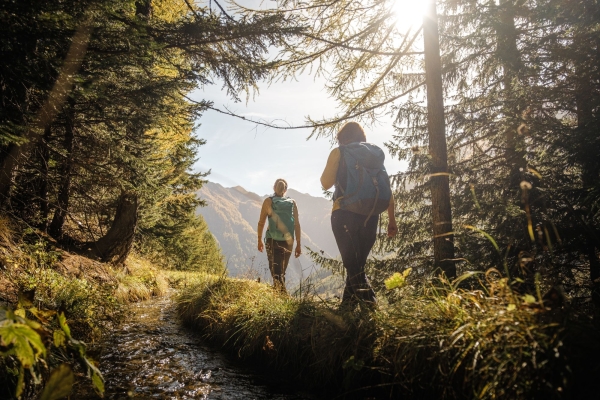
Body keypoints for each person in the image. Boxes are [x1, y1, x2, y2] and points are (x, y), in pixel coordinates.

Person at [320, 122, 398, 310]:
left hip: (344, 213)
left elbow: (325, 183)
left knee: (353, 266)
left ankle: (371, 307)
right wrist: (392, 220)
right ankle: (346, 310)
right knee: (357, 266)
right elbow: (387, 188)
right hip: (371, 214)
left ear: (343, 138)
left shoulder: (340, 152)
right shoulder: (374, 156)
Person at [257, 178, 302, 293]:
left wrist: (259, 240)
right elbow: (297, 224)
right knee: (281, 272)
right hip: (288, 242)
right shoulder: (292, 202)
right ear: (285, 190)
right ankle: (278, 297)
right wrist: (298, 244)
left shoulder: (268, 201)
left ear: (274, 188)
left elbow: (261, 222)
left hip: (272, 241)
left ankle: (283, 299)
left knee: (276, 274)